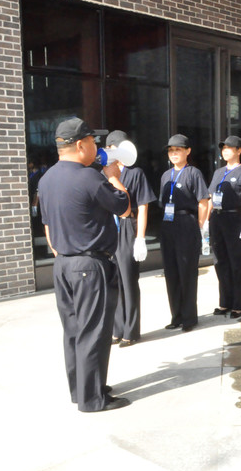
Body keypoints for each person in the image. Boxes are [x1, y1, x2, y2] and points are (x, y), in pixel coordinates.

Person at [38, 117, 131, 412]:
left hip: (63, 264)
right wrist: (113, 176)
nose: (96, 147)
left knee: (74, 331)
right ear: (80, 145)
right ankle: (93, 399)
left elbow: (47, 225)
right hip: (90, 265)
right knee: (94, 332)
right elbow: (124, 208)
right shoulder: (89, 177)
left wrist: (62, 252)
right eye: (92, 141)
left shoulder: (46, 179)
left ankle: (82, 389)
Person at [108, 130, 156, 348]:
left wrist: (140, 237)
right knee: (113, 281)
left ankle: (131, 330)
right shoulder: (104, 173)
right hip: (109, 228)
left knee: (128, 280)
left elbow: (143, 207)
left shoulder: (135, 173)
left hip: (128, 225)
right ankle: (117, 329)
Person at [159, 134, 210, 332]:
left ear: (187, 151)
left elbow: (203, 202)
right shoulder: (166, 175)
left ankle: (189, 317)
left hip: (186, 223)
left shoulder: (193, 173)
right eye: (171, 151)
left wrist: (201, 227)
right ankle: (176, 315)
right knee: (171, 271)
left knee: (187, 271)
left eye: (178, 150)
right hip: (168, 224)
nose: (174, 154)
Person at [208, 136, 241, 318]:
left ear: (238, 151)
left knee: (236, 262)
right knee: (220, 261)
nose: (225, 151)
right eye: (223, 148)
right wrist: (206, 220)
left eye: (229, 148)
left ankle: (238, 304)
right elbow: (211, 198)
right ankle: (225, 302)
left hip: (234, 219)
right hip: (217, 218)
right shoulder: (218, 172)